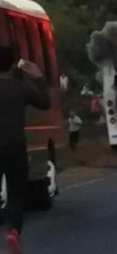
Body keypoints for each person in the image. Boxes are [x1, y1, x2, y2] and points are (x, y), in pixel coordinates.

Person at [0, 47, 50, 254]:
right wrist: (38, 78)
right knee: (16, 193)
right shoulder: (20, 88)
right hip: (15, 146)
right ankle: (14, 231)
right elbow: (45, 103)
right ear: (13, 65)